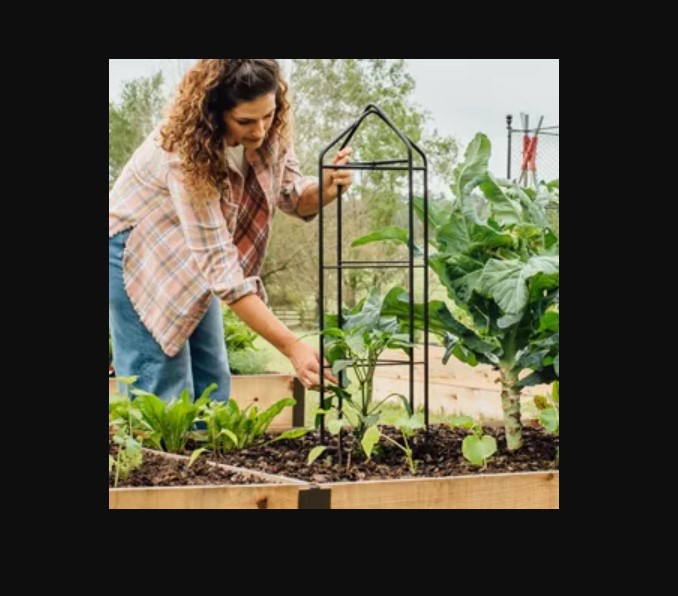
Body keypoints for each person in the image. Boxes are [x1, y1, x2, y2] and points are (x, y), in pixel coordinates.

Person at [109, 59, 352, 402]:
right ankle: (162, 456)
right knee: (162, 385)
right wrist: (292, 345)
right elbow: (223, 270)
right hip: (137, 250)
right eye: (245, 121)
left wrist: (326, 190)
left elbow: (289, 192)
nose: (259, 131)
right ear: (214, 113)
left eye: (267, 115)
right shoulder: (185, 154)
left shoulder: (270, 131)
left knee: (213, 377)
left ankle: (207, 454)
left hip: (198, 252)